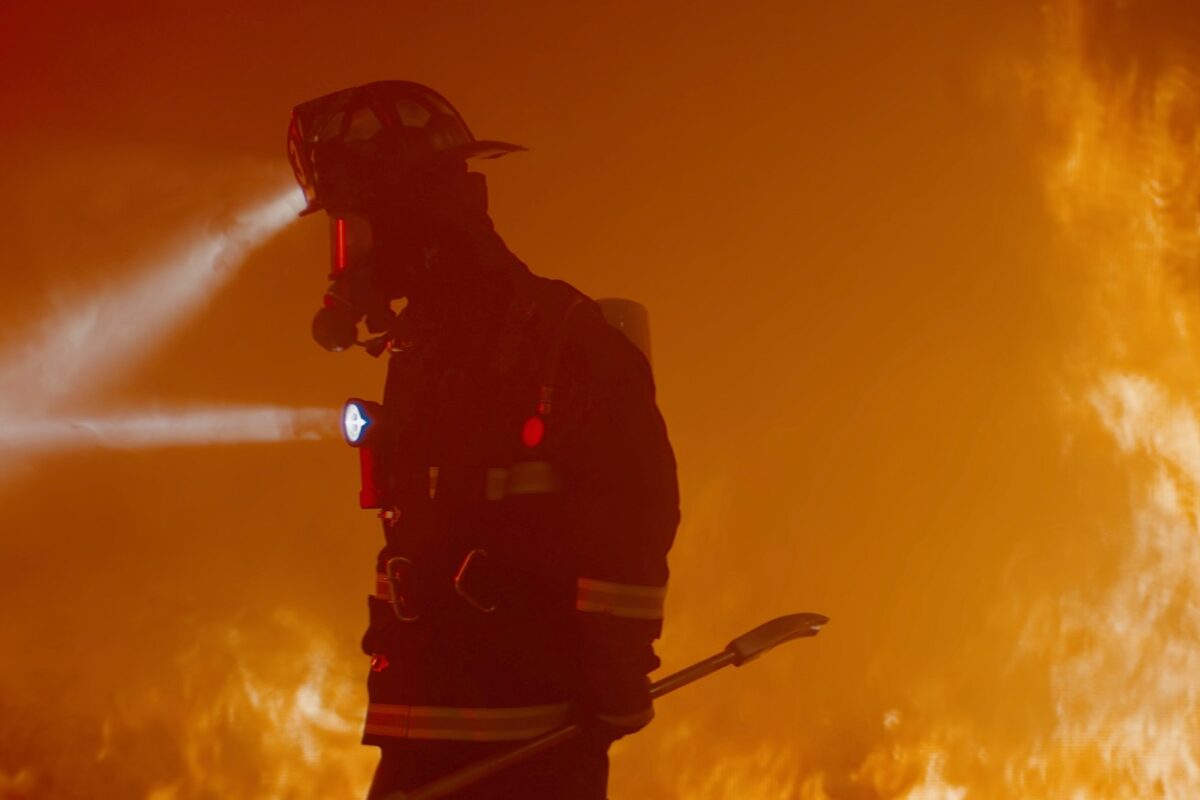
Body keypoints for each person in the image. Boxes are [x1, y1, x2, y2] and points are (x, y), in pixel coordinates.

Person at [287, 81, 680, 799]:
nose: (344, 257)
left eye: (354, 224)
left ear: (412, 215)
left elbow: (633, 516)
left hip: (529, 746)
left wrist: (615, 677)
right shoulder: (419, 355)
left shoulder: (561, 340)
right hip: (418, 739)